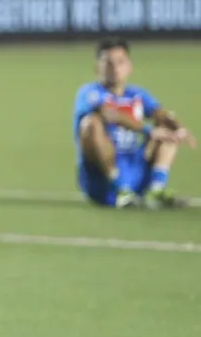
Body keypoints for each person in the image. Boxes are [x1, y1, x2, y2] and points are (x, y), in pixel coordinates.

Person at [74, 38, 194, 209]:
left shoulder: (137, 94)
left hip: (136, 170)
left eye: (120, 62)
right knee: (90, 123)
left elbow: (161, 114)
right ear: (97, 68)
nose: (115, 69)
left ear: (129, 67)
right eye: (108, 63)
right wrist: (148, 130)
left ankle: (156, 189)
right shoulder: (90, 93)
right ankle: (119, 189)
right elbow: (109, 113)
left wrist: (179, 128)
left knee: (166, 126)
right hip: (101, 182)